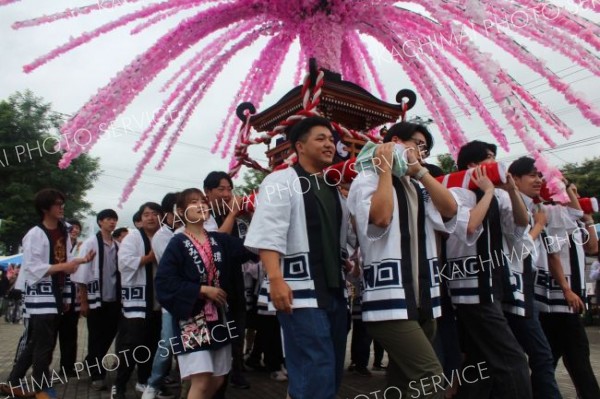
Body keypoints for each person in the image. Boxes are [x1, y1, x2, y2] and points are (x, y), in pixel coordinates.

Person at [347, 121, 457, 399]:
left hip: (425, 300)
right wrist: (385, 168)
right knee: (431, 380)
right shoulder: (367, 178)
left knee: (402, 383)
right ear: (395, 140)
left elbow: (450, 209)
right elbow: (380, 218)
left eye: (425, 149)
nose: (421, 152)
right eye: (418, 144)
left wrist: (421, 172)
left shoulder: (419, 184)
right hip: (390, 301)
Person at [245, 116, 351, 399]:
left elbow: (343, 240)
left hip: (335, 291)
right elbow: (269, 231)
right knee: (314, 365)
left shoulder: (334, 189)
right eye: (320, 138)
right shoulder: (281, 180)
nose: (329, 144)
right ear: (300, 146)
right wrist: (276, 279)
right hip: (299, 289)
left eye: (331, 139)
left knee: (331, 368)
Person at [447, 141, 536, 399]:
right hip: (471, 286)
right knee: (514, 360)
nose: (495, 162)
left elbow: (519, 225)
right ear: (473, 165)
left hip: (493, 283)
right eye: (489, 158)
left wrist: (511, 190)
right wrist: (486, 192)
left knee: (479, 361)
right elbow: (470, 227)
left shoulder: (500, 194)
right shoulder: (456, 191)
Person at [156, 188, 256, 399]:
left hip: (218, 319)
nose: (201, 205)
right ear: (181, 211)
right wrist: (201, 289)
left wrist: (256, 215)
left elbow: (251, 247)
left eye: (203, 201)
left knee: (218, 378)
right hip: (192, 321)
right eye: (194, 202)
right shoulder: (178, 242)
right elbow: (164, 283)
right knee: (201, 379)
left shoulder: (219, 240)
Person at [0, 189, 94, 399]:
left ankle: (14, 382)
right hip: (40, 295)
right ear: (45, 208)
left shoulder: (64, 231)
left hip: (57, 293)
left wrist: (79, 262)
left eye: (62, 203)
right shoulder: (34, 234)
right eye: (57, 204)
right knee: (45, 343)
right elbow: (33, 267)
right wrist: (66, 266)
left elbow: (67, 261)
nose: (62, 207)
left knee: (36, 341)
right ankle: (40, 388)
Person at [203, 171, 250, 391]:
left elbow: (246, 252)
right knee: (216, 335)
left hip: (235, 284)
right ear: (208, 192)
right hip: (211, 289)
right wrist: (232, 215)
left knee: (237, 331)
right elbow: (214, 246)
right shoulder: (203, 216)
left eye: (230, 189)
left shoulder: (237, 218)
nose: (227, 193)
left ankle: (237, 371)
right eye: (221, 189)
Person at [111, 202, 163, 399]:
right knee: (131, 345)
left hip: (158, 301)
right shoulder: (133, 237)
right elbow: (123, 263)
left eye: (154, 214)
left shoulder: (164, 236)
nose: (150, 217)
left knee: (152, 343)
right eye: (146, 214)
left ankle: (143, 381)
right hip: (137, 302)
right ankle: (120, 384)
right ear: (140, 219)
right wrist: (149, 258)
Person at [72, 209, 121, 390]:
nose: (112, 222)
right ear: (100, 222)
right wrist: (83, 301)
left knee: (109, 334)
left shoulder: (117, 245)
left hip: (113, 298)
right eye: (108, 219)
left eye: (114, 219)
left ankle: (91, 361)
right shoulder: (91, 243)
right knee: (95, 336)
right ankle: (97, 374)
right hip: (95, 298)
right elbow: (82, 274)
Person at [142, 193, 181, 399]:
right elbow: (177, 265)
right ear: (168, 214)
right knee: (167, 343)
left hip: (192, 299)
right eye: (179, 210)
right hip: (172, 300)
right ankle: (153, 384)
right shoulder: (162, 236)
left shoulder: (185, 231)